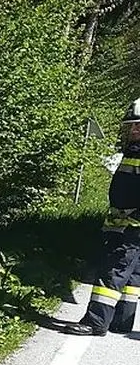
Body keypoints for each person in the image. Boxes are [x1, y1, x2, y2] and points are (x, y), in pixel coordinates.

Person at [65, 99, 140, 336]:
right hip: (133, 227)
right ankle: (121, 321)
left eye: (137, 126)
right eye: (131, 127)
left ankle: (95, 322)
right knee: (132, 276)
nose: (132, 131)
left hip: (129, 225)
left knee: (113, 272)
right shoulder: (135, 151)